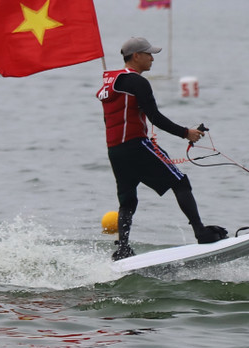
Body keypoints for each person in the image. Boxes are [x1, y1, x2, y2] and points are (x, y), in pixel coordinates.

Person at [96, 36, 227, 260]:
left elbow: (111, 121)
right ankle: (201, 232)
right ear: (136, 56)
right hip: (136, 145)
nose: (152, 59)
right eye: (149, 54)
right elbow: (154, 117)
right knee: (180, 182)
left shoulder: (111, 82)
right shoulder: (138, 82)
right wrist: (186, 133)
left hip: (115, 150)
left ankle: (123, 249)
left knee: (128, 200)